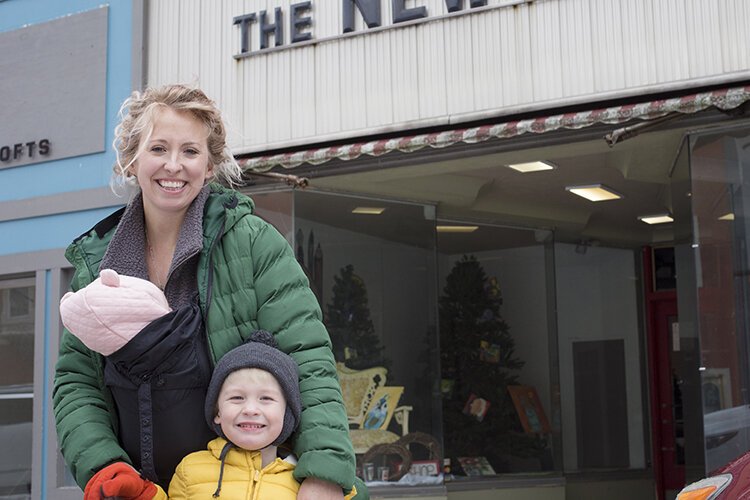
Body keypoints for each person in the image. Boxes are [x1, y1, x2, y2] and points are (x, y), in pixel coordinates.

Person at [53, 83, 364, 500]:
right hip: (142, 490)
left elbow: (308, 358)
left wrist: (323, 473)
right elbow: (77, 382)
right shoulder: (97, 263)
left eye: (190, 151)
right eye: (158, 149)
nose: (174, 165)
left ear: (211, 165)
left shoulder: (253, 242)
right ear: (131, 160)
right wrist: (104, 466)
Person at [84, 331, 358, 499]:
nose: (250, 408)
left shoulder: (308, 482)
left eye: (266, 399)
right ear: (216, 412)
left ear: (288, 413)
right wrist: (143, 495)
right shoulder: (191, 469)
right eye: (236, 398)